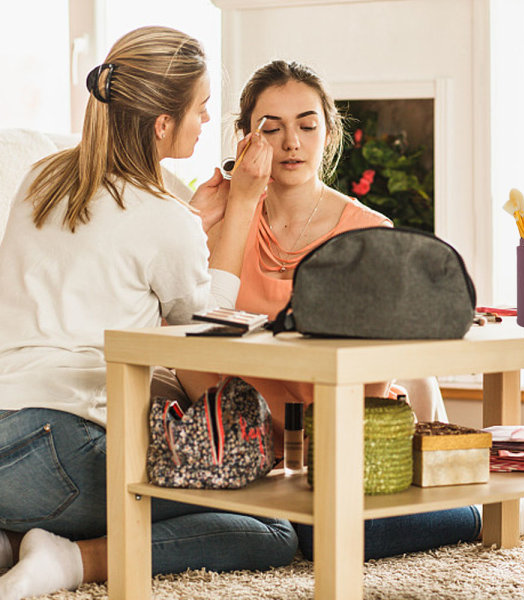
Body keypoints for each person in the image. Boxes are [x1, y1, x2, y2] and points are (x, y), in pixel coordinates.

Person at [0, 27, 298, 600]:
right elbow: (206, 327)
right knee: (271, 526)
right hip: (64, 447)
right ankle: (69, 561)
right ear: (163, 123)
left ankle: (14, 545)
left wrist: (189, 217)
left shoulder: (41, 177)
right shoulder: (163, 217)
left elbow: (105, 256)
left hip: (6, 431)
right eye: (201, 107)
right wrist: (241, 203)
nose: (207, 120)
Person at [176, 59, 481, 562]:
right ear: (244, 141)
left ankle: (480, 513)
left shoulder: (369, 236)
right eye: (270, 129)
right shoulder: (218, 223)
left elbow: (375, 376)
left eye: (306, 125)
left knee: (325, 535)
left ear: (330, 131)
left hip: (346, 448)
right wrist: (220, 212)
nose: (290, 142)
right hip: (244, 449)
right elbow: (189, 337)